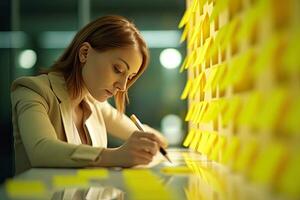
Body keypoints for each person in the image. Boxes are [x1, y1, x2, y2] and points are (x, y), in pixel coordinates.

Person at [10, 15, 168, 174]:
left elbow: (147, 135)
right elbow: (41, 150)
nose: (122, 86)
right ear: (84, 53)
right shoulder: (32, 90)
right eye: (118, 69)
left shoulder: (94, 104)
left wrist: (154, 141)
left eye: (130, 77)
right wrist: (117, 156)